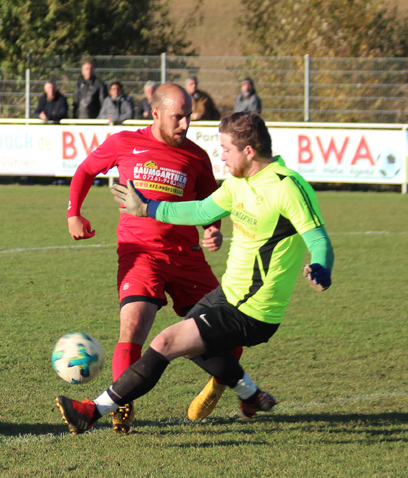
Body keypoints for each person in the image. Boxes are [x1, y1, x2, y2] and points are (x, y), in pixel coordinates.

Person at [56, 112, 334, 435]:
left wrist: (321, 267)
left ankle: (92, 411)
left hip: (254, 309)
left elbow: (319, 240)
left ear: (248, 152)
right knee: (194, 345)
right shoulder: (239, 183)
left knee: (167, 341)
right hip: (229, 294)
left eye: (226, 149)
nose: (222, 156)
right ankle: (251, 396)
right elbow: (200, 210)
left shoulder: (287, 187)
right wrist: (148, 207)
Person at [66, 83, 236, 434]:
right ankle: (121, 405)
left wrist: (213, 229)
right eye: (178, 116)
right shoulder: (123, 143)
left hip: (187, 257)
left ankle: (219, 384)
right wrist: (74, 213)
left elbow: (211, 201)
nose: (186, 124)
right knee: (133, 328)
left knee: (230, 335)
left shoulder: (196, 156)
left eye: (189, 116)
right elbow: (85, 171)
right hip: (139, 253)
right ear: (155, 113)